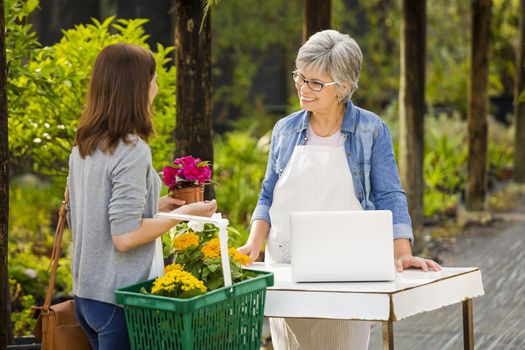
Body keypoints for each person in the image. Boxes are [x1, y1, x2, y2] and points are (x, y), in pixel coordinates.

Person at [238, 30, 441, 349]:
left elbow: (390, 195)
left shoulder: (370, 130)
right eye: (299, 77)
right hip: (288, 269)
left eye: (315, 83)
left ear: (343, 87)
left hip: (350, 271)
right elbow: (268, 195)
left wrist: (402, 253)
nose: (303, 89)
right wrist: (254, 243)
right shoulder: (285, 130)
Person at [67, 43, 217, 350]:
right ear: (136, 88)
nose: (156, 87)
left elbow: (87, 214)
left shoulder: (84, 146)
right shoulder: (131, 150)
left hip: (86, 299)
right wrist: (181, 216)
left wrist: (159, 205)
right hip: (119, 301)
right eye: (154, 79)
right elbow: (124, 236)